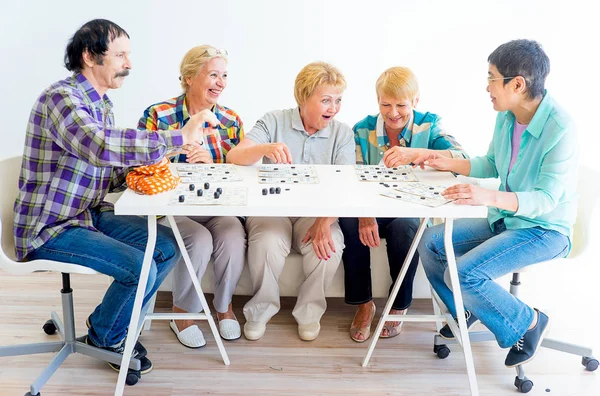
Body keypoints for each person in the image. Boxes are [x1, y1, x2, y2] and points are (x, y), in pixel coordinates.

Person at [13, 19, 217, 376]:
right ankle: (107, 337)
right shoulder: (61, 99)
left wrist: (153, 165)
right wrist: (175, 138)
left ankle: (106, 327)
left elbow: (107, 167)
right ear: (91, 56)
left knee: (166, 246)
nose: (129, 64)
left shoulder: (102, 105)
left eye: (128, 55)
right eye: (121, 55)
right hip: (50, 226)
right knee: (140, 266)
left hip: (86, 214)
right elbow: (100, 146)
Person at [414, 39, 577, 368]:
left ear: (517, 84)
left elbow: (546, 199)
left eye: (491, 78)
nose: (487, 87)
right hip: (507, 219)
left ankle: (528, 322)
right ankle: (469, 311)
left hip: (545, 230)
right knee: (431, 242)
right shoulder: (507, 116)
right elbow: (491, 162)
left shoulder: (560, 128)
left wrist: (486, 196)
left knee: (463, 274)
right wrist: (450, 163)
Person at [226, 61, 355, 341]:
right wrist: (265, 148)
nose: (332, 108)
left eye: (338, 100)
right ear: (302, 97)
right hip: (273, 210)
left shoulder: (342, 133)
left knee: (329, 246)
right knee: (268, 242)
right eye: (325, 100)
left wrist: (324, 222)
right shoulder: (273, 121)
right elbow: (235, 157)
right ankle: (260, 311)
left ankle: (309, 313)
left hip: (317, 213)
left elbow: (345, 184)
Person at [340, 66, 468, 342]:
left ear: (415, 101)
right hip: (373, 207)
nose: (393, 112)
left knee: (406, 226)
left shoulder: (429, 124)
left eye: (401, 105)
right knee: (349, 221)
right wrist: (365, 215)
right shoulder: (362, 130)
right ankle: (364, 305)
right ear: (377, 101)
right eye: (386, 104)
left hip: (413, 211)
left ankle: (399, 305)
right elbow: (353, 177)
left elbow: (462, 158)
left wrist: (419, 153)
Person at [138, 45, 246, 345]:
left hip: (215, 203)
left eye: (224, 75)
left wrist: (214, 164)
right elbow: (137, 166)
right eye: (213, 74)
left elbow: (239, 171)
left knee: (233, 233)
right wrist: (174, 151)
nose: (221, 82)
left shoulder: (231, 120)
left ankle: (223, 307)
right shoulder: (158, 115)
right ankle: (182, 312)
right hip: (170, 207)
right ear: (189, 78)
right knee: (198, 239)